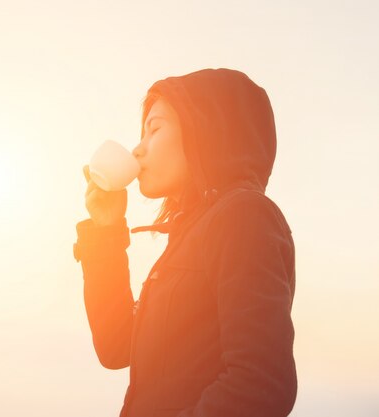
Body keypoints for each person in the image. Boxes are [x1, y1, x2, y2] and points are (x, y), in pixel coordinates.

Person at [73, 68, 297, 417]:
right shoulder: (191, 232)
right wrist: (105, 230)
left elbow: (261, 386)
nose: (137, 148)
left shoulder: (242, 216)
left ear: (205, 131)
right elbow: (116, 346)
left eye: (155, 129)